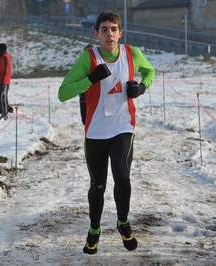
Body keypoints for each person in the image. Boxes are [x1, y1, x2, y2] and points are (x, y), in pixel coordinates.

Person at [58, 11, 155, 254]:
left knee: (122, 176)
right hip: (95, 132)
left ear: (120, 33)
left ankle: (123, 221)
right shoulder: (87, 58)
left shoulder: (131, 54)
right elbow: (63, 93)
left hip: (123, 128)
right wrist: (90, 79)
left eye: (113, 29)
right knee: (98, 185)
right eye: (104, 29)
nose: (109, 33)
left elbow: (150, 71)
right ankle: (94, 229)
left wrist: (141, 87)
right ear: (96, 34)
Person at [0, 43, 11, 120]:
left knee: (3, 98)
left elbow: (5, 70)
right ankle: (4, 112)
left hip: (3, 81)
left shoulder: (4, 57)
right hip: (0, 80)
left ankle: (5, 114)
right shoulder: (0, 57)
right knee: (1, 97)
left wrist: (2, 82)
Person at [79, 43, 94, 125]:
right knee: (85, 120)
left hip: (97, 96)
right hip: (84, 96)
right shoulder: (80, 66)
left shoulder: (99, 65)